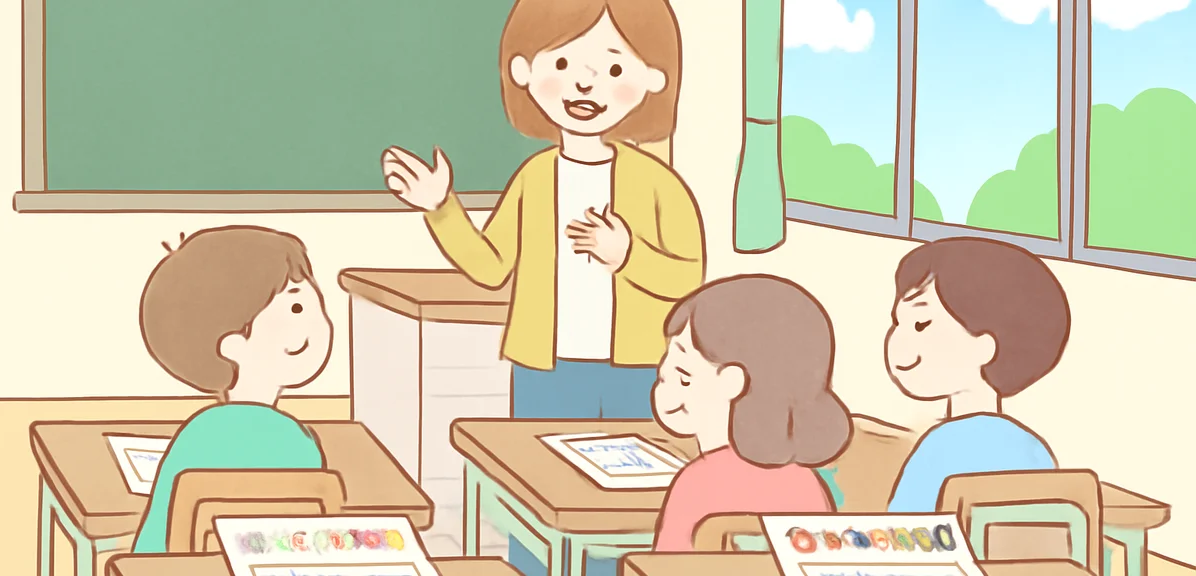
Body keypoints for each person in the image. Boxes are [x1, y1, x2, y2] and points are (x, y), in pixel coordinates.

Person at [380, 0, 705, 421]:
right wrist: (441, 208)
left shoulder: (659, 183)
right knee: (540, 458)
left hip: (638, 368)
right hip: (546, 369)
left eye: (614, 69)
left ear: (653, 79)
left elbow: (689, 279)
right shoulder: (534, 178)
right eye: (563, 63)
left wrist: (627, 256)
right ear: (523, 71)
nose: (584, 84)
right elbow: (492, 268)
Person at [132, 226, 334, 553]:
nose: (319, 323)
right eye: (297, 308)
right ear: (233, 346)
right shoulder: (299, 442)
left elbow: (152, 545)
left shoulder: (196, 435)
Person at [652, 274, 852, 552]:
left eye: (683, 375)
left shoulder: (697, 484)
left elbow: (662, 567)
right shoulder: (807, 485)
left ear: (732, 382)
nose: (662, 381)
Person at [885, 238, 1067, 513]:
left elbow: (902, 527)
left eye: (921, 324)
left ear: (985, 346)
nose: (897, 339)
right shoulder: (1034, 450)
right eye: (898, 322)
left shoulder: (941, 446)